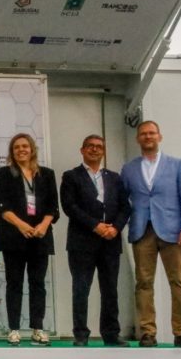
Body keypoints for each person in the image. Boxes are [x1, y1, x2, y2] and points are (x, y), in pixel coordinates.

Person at [120, 120, 181, 348]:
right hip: (142, 231)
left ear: (159, 137)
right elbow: (123, 202)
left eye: (152, 133)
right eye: (143, 134)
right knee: (144, 283)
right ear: (138, 138)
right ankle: (147, 332)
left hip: (172, 231)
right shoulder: (129, 169)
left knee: (178, 282)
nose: (148, 137)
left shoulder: (177, 165)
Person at [60, 134, 131, 347]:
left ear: (103, 151)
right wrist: (95, 225)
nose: (94, 149)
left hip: (110, 241)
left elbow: (125, 207)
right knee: (81, 289)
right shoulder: (71, 176)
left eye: (99, 146)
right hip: (82, 242)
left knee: (110, 290)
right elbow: (70, 206)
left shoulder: (114, 178)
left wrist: (115, 228)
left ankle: (111, 333)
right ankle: (81, 334)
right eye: (90, 146)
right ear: (82, 150)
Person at [0, 133, 59, 346]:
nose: (21, 150)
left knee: (38, 284)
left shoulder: (47, 174)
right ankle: (14, 329)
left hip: (40, 236)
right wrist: (21, 225)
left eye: (25, 146)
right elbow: (1, 206)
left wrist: (43, 226)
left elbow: (53, 206)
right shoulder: (3, 174)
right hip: (13, 236)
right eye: (16, 147)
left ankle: (37, 329)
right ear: (12, 152)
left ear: (32, 149)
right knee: (14, 283)